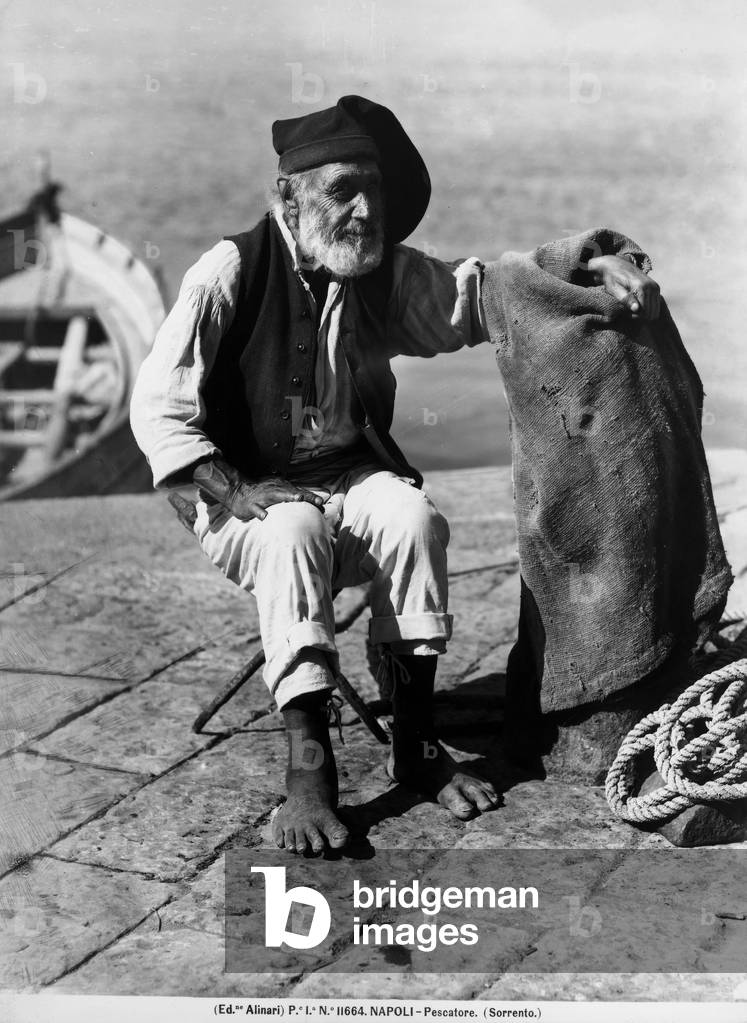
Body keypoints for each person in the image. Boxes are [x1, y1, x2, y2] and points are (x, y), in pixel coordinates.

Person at [130, 95, 660, 855]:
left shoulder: (381, 273)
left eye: (373, 190)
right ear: (289, 197)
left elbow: (486, 292)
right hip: (243, 498)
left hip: (350, 478)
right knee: (292, 530)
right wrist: (233, 487)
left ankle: (414, 745)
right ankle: (309, 771)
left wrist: (590, 262)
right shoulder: (231, 270)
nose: (365, 210)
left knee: (415, 518)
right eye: (342, 190)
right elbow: (159, 405)